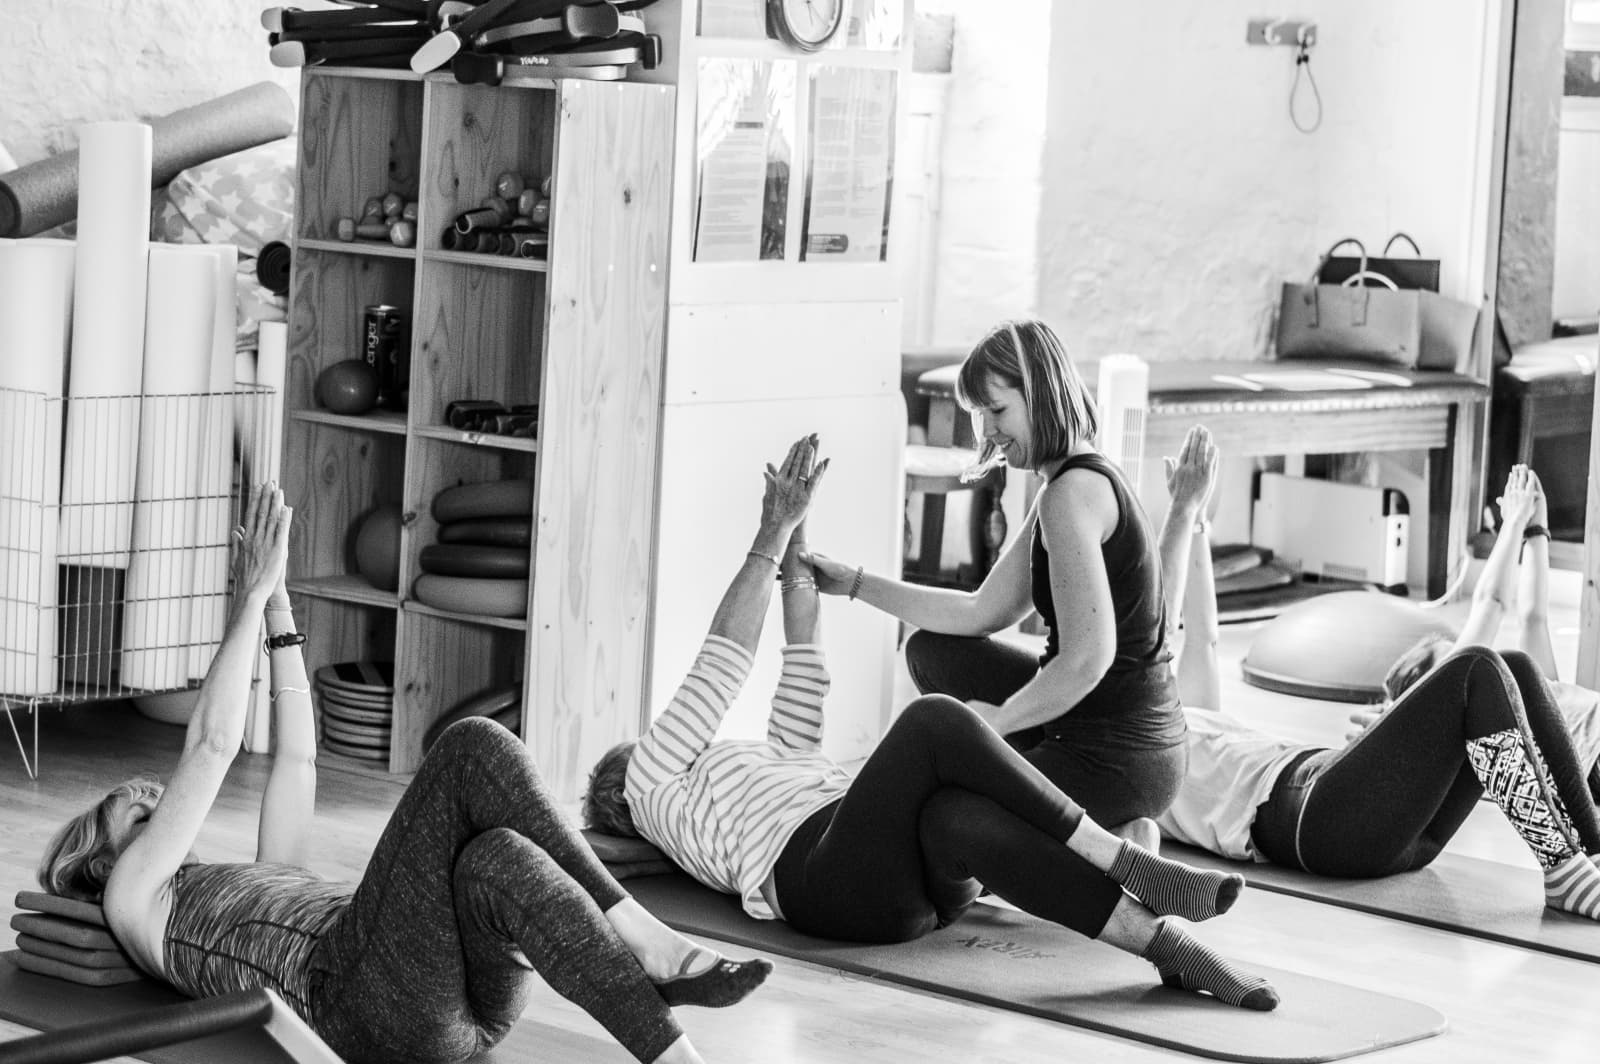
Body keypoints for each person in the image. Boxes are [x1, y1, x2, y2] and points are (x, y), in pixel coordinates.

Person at [37, 484, 770, 1064]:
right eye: (135, 813)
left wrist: (281, 609)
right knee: (471, 746)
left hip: (453, 1014)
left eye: (151, 795)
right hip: (354, 1002)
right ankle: (638, 930)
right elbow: (213, 746)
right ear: (101, 865)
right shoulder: (135, 902)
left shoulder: (251, 883)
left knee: (498, 859)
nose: (156, 799)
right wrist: (248, 597)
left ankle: (674, 1052)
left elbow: (296, 758)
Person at [585, 435, 1280, 1011]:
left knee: (959, 815)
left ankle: (1171, 949)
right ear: (621, 793)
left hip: (894, 880)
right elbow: (723, 663)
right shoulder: (650, 783)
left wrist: (796, 536)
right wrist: (768, 532)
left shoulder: (764, 762)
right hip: (822, 883)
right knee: (932, 722)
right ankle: (1118, 855)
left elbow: (803, 654)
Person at [1149, 439, 1600, 918]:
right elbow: (1152, 631)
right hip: (1314, 820)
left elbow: (1202, 637)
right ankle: (1561, 867)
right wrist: (1178, 510)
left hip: (1384, 828)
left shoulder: (1182, 719)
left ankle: (1589, 851)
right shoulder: (1137, 747)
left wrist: (1196, 515)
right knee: (1477, 667)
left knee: (1517, 667)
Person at [801, 320, 1185, 828]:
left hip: (1121, 756)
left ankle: (1115, 846)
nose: (987, 433)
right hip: (1105, 732)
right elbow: (981, 611)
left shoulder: (1069, 496)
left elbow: (1090, 658)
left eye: (998, 411)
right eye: (980, 416)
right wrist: (852, 582)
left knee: (946, 826)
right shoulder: (1070, 480)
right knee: (930, 651)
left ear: (1044, 395)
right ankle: (1108, 834)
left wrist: (1000, 722)